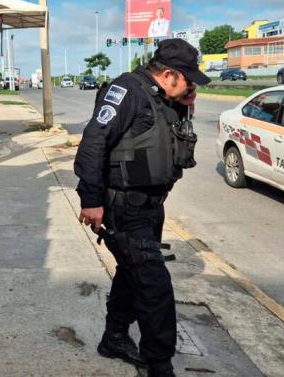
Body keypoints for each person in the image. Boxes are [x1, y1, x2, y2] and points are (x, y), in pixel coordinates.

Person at [74, 39, 210, 377]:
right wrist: (91, 200)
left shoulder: (165, 97)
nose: (191, 84)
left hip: (151, 208)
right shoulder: (127, 91)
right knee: (154, 286)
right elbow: (93, 143)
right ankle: (159, 364)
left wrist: (186, 102)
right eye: (187, 78)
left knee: (131, 274)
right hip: (124, 207)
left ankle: (114, 337)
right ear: (168, 73)